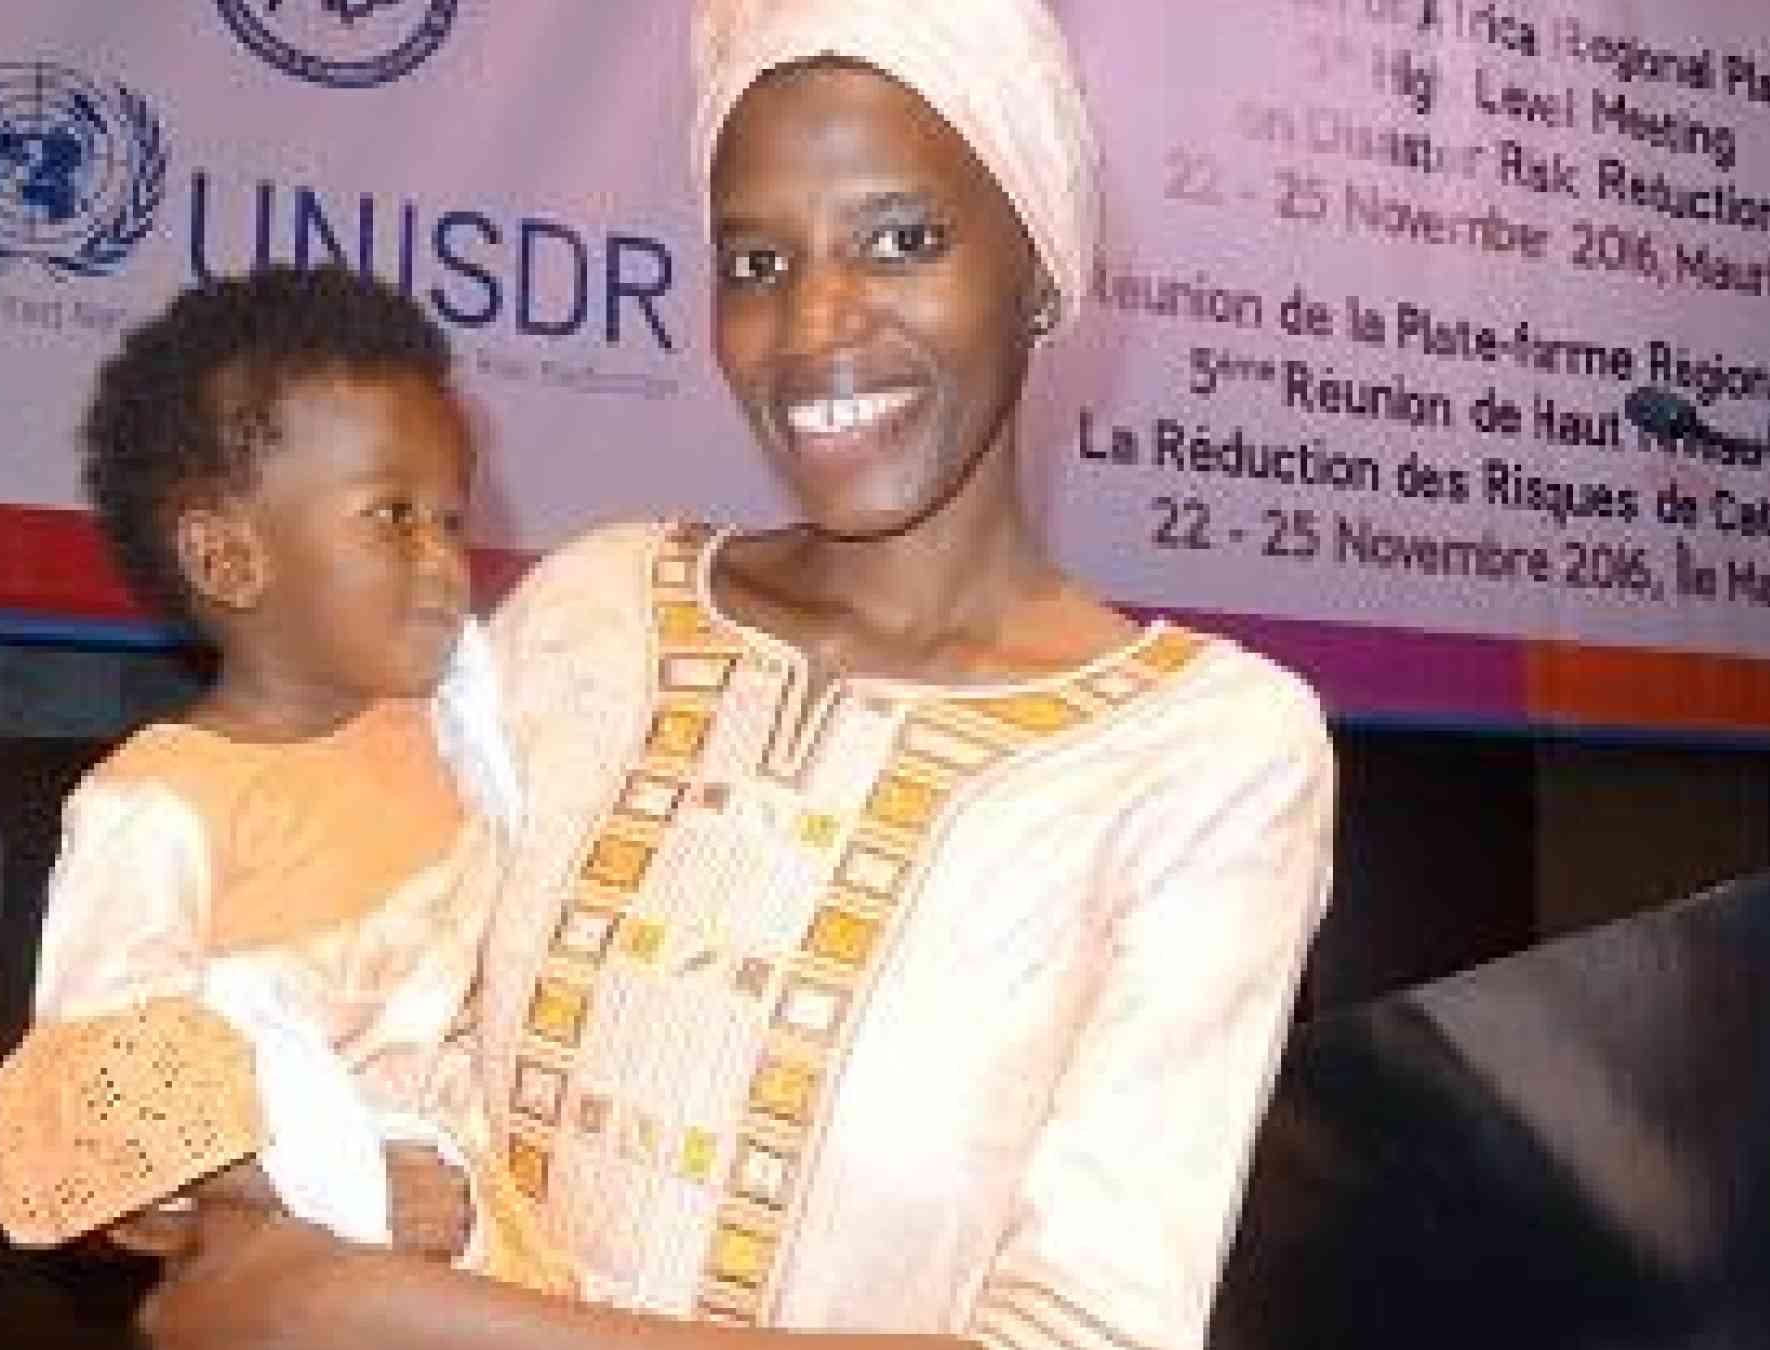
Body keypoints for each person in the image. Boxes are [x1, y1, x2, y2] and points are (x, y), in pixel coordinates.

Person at [137, 2, 1338, 1347]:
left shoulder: (1208, 752)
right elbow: (365, 1035)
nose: (815, 322)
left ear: (1043, 269)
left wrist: (381, 1314)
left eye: (902, 240)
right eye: (757, 260)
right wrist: (222, 1163)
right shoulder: (594, 612)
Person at [0, 264, 569, 1293]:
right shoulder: (157, 808)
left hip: (508, 1262)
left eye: (452, 519)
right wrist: (324, 1175)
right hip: (327, 1291)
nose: (444, 563)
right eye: (393, 517)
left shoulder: (453, 728)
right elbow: (96, 1101)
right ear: (230, 559)